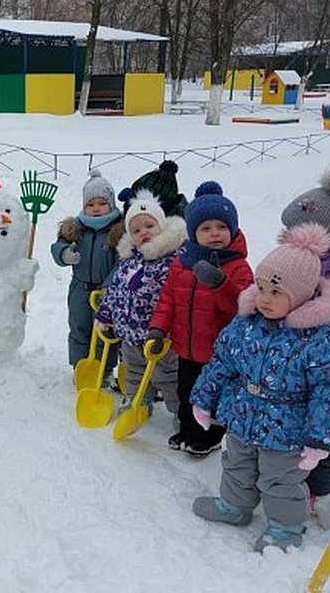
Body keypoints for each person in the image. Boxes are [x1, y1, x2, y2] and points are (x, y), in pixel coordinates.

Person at [191, 223, 330, 552]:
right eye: (261, 288)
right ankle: (235, 506)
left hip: (287, 429)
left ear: (303, 294)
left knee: (280, 479)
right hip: (243, 414)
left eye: (276, 293)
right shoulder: (245, 325)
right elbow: (221, 362)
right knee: (236, 464)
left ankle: (285, 527)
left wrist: (319, 440)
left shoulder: (321, 340)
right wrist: (203, 398)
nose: (264, 299)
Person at [147, 181, 254, 456]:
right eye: (206, 228)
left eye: (221, 227)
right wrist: (158, 328)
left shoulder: (238, 266)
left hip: (219, 353)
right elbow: (168, 300)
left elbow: (245, 306)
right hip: (186, 347)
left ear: (232, 229)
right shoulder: (182, 263)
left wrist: (221, 283)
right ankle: (187, 429)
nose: (215, 234)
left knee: (213, 397)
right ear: (194, 233)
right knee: (187, 392)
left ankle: (210, 437)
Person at [280, 164, 330, 526]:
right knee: (289, 417)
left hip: (329, 360)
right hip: (289, 356)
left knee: (320, 425)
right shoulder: (290, 259)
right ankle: (288, 477)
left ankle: (318, 487)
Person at [95, 192, 186, 419]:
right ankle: (137, 404)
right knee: (134, 374)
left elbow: (178, 299)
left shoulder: (173, 261)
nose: (143, 232)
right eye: (136, 230)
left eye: (149, 225)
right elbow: (114, 291)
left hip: (160, 339)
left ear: (161, 226)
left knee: (168, 377)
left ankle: (181, 414)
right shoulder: (128, 262)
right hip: (130, 337)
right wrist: (105, 316)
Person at [50, 169, 123, 386]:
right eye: (91, 205)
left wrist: (110, 285)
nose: (96, 208)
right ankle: (81, 366)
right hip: (80, 289)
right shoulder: (75, 228)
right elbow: (58, 246)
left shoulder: (118, 231)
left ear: (111, 203)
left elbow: (123, 261)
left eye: (102, 203)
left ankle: (105, 368)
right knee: (79, 327)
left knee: (105, 331)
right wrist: (64, 254)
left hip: (106, 293)